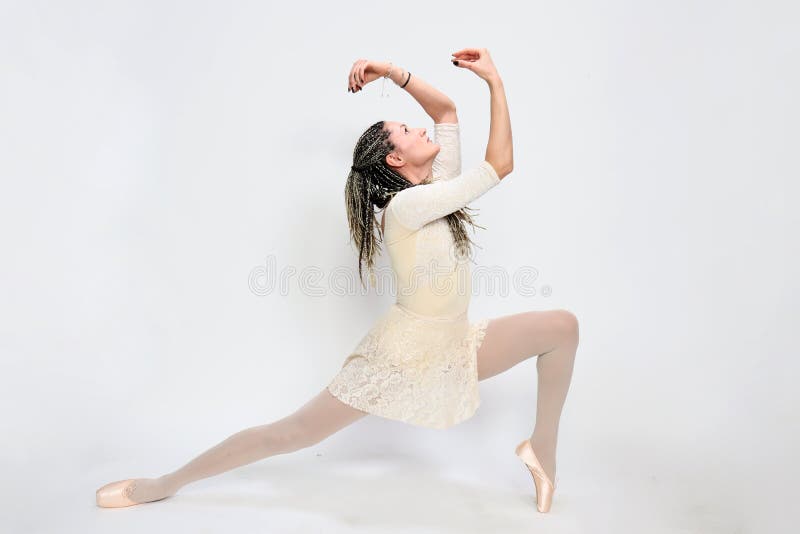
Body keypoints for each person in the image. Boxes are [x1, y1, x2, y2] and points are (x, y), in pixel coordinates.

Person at [96, 48, 578, 514]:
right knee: (289, 434)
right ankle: (164, 483)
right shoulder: (408, 206)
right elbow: (501, 164)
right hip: (402, 356)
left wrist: (390, 71)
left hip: (451, 345)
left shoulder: (434, 188)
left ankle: (542, 453)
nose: (421, 127)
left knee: (561, 328)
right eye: (407, 130)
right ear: (394, 160)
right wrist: (495, 81)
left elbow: (448, 109)